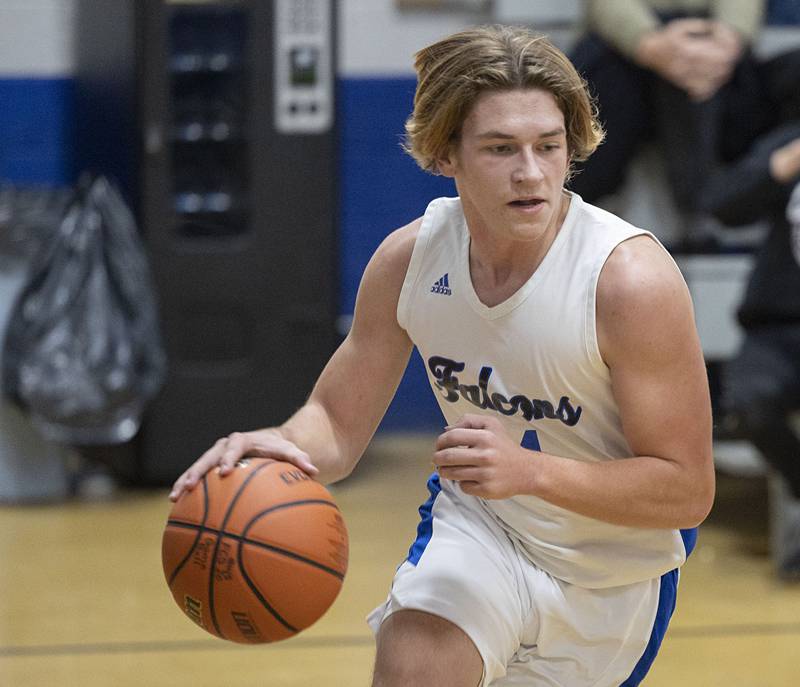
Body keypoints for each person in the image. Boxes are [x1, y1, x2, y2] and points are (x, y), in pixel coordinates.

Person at [170, 25, 714, 686]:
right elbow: (337, 426)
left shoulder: (627, 281)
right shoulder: (411, 260)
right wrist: (275, 445)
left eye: (549, 146)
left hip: (611, 573)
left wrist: (529, 470)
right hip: (483, 534)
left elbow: (686, 488)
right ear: (443, 154)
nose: (531, 172)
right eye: (500, 148)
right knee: (416, 656)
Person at [700, 116, 800, 579]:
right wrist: (786, 162)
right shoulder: (790, 138)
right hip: (777, 327)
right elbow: (722, 203)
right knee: (748, 405)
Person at [569, 0, 767, 222]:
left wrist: (726, 41)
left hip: (713, 43)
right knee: (606, 80)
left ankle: (708, 204)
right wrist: (651, 45)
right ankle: (587, 203)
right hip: (622, 48)